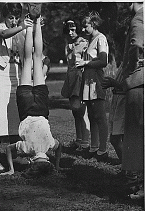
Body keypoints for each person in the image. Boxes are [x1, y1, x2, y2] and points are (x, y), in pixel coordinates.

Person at [0, 15, 62, 176]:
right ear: (33, 161)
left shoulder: (50, 145)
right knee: (27, 60)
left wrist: (58, 165)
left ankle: (36, 23)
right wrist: (12, 169)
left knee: (36, 58)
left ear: (47, 159)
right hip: (27, 108)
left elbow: (59, 146)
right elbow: (8, 148)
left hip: (41, 108)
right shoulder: (27, 149)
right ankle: (29, 26)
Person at [0, 3, 35, 171]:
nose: (14, 21)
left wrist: (35, 25)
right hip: (0, 73)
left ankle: (15, 155)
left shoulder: (21, 29)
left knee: (16, 114)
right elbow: (4, 34)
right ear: (4, 17)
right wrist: (22, 26)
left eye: (17, 17)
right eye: (11, 17)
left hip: (16, 73)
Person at [76, 11, 109, 160]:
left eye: (85, 26)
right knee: (91, 115)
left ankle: (103, 150)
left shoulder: (100, 39)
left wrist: (86, 62)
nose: (83, 29)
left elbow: (103, 60)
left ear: (93, 24)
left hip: (95, 80)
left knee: (100, 116)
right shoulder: (91, 39)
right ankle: (94, 147)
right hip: (88, 80)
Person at [121, 2, 144, 199]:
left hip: (139, 81)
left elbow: (136, 45)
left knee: (138, 136)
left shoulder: (139, 17)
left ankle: (143, 187)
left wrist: (129, 69)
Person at [61, 19, 90, 151]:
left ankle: (85, 142)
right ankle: (79, 140)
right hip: (71, 77)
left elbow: (82, 60)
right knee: (75, 111)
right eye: (69, 30)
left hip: (80, 77)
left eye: (73, 29)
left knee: (81, 110)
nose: (71, 32)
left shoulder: (82, 42)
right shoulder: (69, 44)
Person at [102, 64, 125, 163]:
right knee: (118, 138)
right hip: (118, 101)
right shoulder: (125, 62)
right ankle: (127, 167)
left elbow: (133, 85)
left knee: (116, 138)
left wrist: (114, 83)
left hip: (125, 103)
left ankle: (129, 169)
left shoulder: (138, 62)